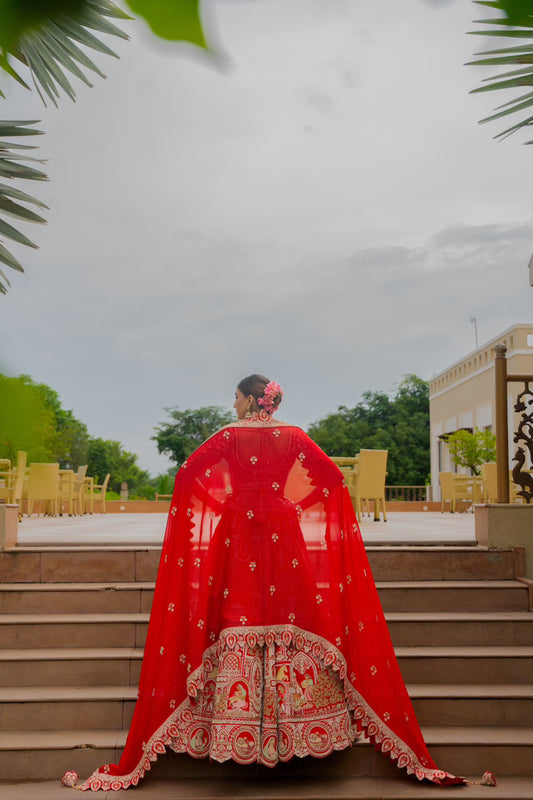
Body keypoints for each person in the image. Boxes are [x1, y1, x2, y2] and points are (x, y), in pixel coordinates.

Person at [63, 375, 486, 790]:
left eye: (236, 398)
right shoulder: (295, 436)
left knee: (237, 610)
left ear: (251, 400)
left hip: (238, 528)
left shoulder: (229, 437)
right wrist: (292, 506)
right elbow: (332, 479)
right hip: (282, 526)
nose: (233, 406)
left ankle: (236, 727)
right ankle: (300, 726)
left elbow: (187, 474)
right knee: (289, 609)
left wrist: (222, 504)